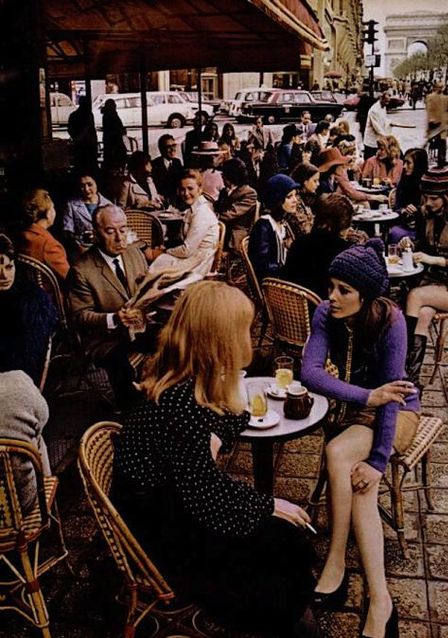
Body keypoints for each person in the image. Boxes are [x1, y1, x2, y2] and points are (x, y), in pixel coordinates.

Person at [112, 280, 317, 636]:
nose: (250, 339)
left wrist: (216, 431)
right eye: (243, 331)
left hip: (175, 506)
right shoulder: (181, 404)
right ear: (222, 341)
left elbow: (232, 417)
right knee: (286, 545)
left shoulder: (182, 379)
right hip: (165, 534)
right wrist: (267, 505)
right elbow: (205, 497)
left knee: (287, 541)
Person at [301, 239, 420, 638]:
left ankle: (346, 573)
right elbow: (310, 374)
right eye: (330, 286)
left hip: (398, 412)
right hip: (362, 405)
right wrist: (365, 396)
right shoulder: (325, 312)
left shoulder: (392, 321)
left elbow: (393, 396)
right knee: (344, 461)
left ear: (365, 294)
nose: (332, 297)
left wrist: (379, 460)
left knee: (351, 466)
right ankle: (377, 601)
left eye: (343, 290)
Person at [67, 204, 148, 406]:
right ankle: (131, 418)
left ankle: (166, 403)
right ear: (95, 233)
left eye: (123, 229)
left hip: (140, 327)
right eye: (110, 231)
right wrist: (114, 318)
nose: (120, 238)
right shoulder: (81, 269)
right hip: (105, 339)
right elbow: (79, 316)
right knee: (123, 368)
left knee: (177, 341)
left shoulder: (134, 254)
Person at [402, 168, 448, 389]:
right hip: (435, 282)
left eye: (434, 198)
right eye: (426, 197)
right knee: (422, 314)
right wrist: (409, 245)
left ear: (447, 196)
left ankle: (403, 371)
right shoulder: (426, 214)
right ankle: (411, 381)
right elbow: (423, 247)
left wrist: (434, 260)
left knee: (414, 296)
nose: (428, 202)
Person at [0, 234, 58, 386]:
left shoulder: (33, 301)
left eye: (9, 267)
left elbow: (27, 359)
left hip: (16, 381)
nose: (4, 276)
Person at [284, 194, 363, 297]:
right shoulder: (346, 252)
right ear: (344, 224)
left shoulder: (298, 243)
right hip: (329, 307)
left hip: (294, 308)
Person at [148, 170, 219, 279]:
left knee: (152, 259)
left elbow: (187, 250)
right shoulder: (194, 209)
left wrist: (164, 251)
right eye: (182, 189)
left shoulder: (201, 212)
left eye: (190, 189)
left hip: (198, 265)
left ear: (200, 189)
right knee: (152, 258)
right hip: (192, 259)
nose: (185, 193)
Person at [0, 369, 52, 514]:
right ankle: (48, 508)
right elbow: (44, 416)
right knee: (35, 437)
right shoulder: (18, 382)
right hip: (19, 504)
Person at [248, 174, 298, 281]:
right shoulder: (264, 227)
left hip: (283, 278)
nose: (295, 200)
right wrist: (288, 269)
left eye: (295, 195)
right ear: (277, 200)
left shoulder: (283, 222)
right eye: (289, 197)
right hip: (272, 286)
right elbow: (262, 267)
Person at [17, 188, 70, 281]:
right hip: (50, 294)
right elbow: (71, 279)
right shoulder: (49, 245)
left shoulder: (23, 235)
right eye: (53, 208)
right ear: (48, 214)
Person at [63, 173, 112, 256]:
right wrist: (78, 244)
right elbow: (67, 231)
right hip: (81, 249)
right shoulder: (71, 205)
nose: (86, 189)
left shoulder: (108, 205)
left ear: (97, 183)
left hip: (104, 249)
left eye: (90, 184)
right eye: (82, 186)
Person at [214, 158, 257, 252]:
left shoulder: (249, 193)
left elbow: (231, 214)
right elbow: (216, 207)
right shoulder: (224, 191)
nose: (221, 176)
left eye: (223, 174)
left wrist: (211, 218)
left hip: (235, 235)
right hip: (220, 229)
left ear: (231, 176)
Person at [388, 148, 429, 243]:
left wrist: (418, 211)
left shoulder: (427, 185)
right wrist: (403, 210)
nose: (404, 166)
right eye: (404, 162)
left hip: (423, 227)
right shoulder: (403, 182)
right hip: (404, 223)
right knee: (394, 232)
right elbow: (397, 207)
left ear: (418, 165)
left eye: (408, 163)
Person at [67, 95, 98, 174]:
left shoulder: (73, 115)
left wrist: (75, 138)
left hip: (79, 145)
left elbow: (70, 129)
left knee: (80, 167)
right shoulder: (89, 115)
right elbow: (90, 129)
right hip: (88, 145)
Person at [287, 162, 319, 237]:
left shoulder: (307, 197)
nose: (318, 184)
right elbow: (305, 231)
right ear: (305, 181)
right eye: (315, 181)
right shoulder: (295, 200)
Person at [151, 134, 183, 205]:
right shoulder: (154, 165)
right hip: (160, 202)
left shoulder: (177, 162)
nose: (172, 149)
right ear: (161, 149)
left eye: (174, 146)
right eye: (169, 147)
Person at [363, 92, 394, 160]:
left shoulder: (383, 107)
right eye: (386, 101)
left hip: (379, 140)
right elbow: (377, 127)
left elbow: (384, 119)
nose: (387, 104)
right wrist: (386, 136)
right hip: (371, 141)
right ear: (381, 99)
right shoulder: (374, 110)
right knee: (370, 160)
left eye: (388, 102)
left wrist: (390, 123)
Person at [101, 98, 127, 173]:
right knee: (117, 158)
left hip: (109, 141)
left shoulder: (106, 115)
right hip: (114, 141)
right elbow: (117, 128)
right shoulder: (112, 115)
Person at [425, 82, 448, 168]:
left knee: (443, 143)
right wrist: (431, 119)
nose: (441, 89)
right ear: (435, 88)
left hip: (442, 123)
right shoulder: (430, 97)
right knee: (430, 141)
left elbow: (445, 110)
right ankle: (425, 158)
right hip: (433, 123)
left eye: (442, 87)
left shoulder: (445, 98)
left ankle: (441, 159)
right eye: (439, 87)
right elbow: (429, 109)